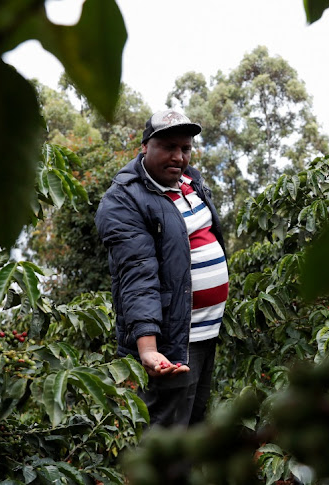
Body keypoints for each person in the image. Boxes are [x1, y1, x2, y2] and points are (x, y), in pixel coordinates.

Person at [95, 109, 229, 427]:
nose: (178, 157)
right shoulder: (124, 200)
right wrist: (149, 348)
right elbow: (137, 275)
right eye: (168, 147)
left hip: (205, 334)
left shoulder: (191, 182)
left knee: (194, 426)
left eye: (185, 149)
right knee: (166, 436)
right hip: (172, 344)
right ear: (145, 146)